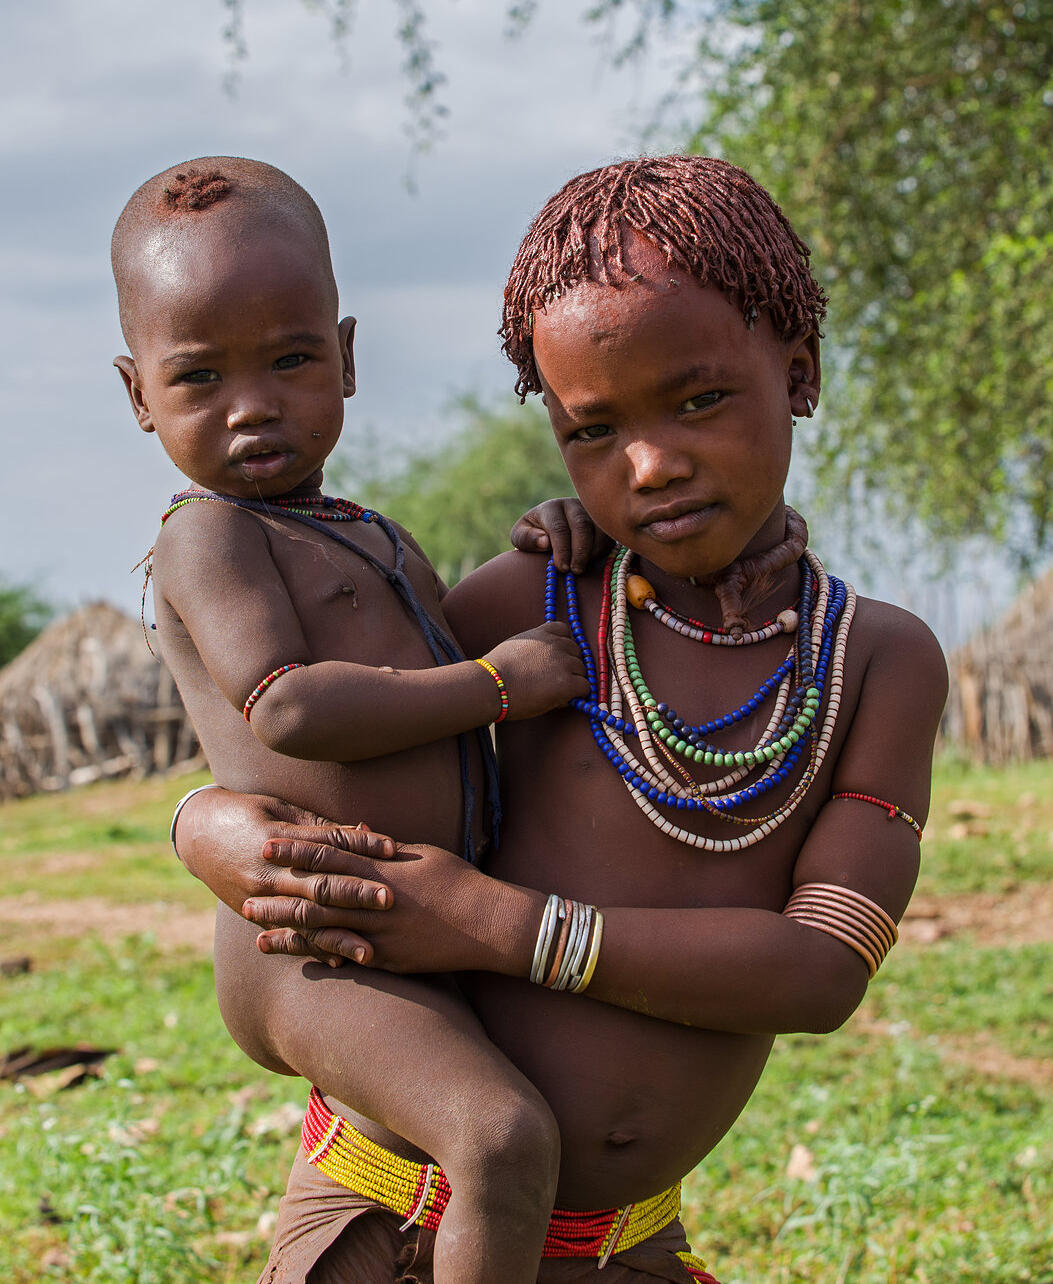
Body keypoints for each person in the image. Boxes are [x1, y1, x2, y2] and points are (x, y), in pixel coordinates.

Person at [173, 155, 948, 1284]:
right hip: (383, 1220)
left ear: (799, 370)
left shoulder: (873, 661)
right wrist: (207, 822)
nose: (652, 462)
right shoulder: (521, 614)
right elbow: (315, 747)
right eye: (593, 431)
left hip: (625, 1248)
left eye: (699, 400)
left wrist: (495, 922)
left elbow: (822, 967)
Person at [111, 155, 598, 1284]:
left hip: (415, 923)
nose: (252, 404)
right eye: (199, 377)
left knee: (501, 1121)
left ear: (345, 356)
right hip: (312, 947)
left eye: (289, 359)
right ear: (140, 395)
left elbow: (445, 635)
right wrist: (500, 684)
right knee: (499, 1135)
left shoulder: (369, 530)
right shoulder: (208, 536)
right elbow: (286, 702)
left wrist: (546, 539)